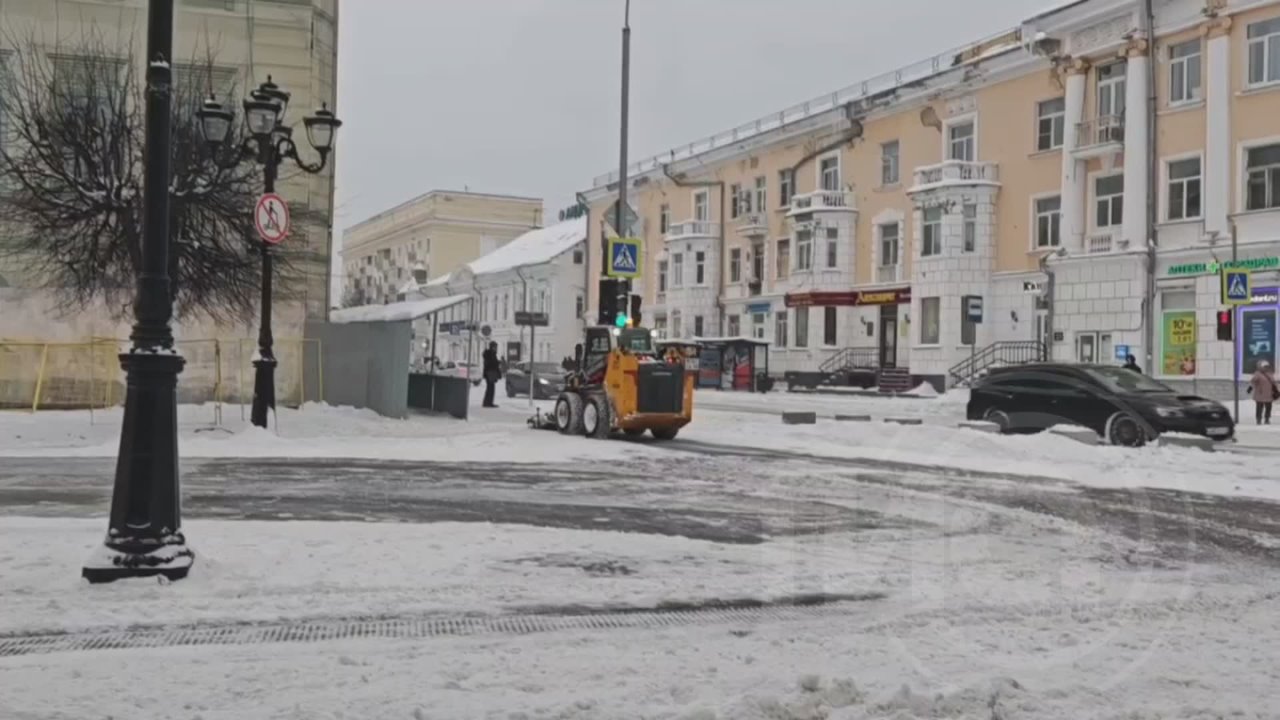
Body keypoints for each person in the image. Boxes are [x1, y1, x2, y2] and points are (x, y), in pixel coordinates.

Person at [1249, 361, 1277, 425]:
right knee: (1259, 408)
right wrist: (1248, 390)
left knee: (1268, 408)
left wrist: (1276, 390)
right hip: (1260, 394)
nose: (1266, 368)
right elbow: (1252, 382)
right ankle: (1258, 420)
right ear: (1260, 367)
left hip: (1269, 394)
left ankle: (1267, 419)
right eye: (1264, 366)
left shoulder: (1270, 373)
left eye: (1267, 366)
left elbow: (1273, 382)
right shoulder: (1257, 374)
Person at [481, 342, 501, 408]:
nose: (496, 348)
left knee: (490, 388)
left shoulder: (490, 354)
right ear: (492, 347)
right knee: (490, 388)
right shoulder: (490, 354)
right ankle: (488, 403)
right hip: (490, 373)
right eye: (495, 347)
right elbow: (491, 363)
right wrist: (497, 363)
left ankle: (487, 402)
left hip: (489, 373)